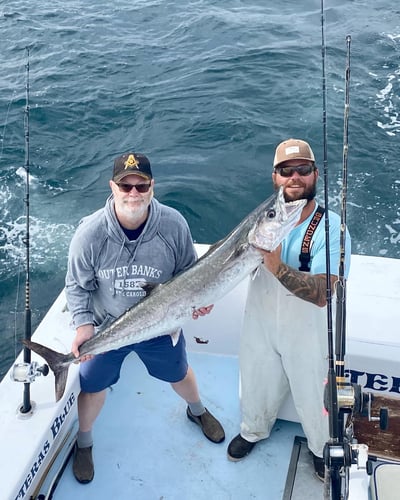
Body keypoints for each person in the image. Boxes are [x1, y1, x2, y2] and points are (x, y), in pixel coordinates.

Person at [65, 152, 225, 484]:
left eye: (142, 186)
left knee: (179, 373)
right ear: (113, 187)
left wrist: (199, 302)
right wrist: (84, 324)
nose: (134, 193)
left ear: (153, 187)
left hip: (162, 324)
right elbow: (77, 285)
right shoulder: (90, 234)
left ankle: (197, 411)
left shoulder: (173, 224)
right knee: (93, 384)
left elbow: (189, 274)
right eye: (126, 186)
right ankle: (84, 442)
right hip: (111, 325)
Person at [227, 138, 351, 480]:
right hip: (261, 324)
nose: (294, 177)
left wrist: (278, 266)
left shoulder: (332, 229)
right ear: (274, 177)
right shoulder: (260, 222)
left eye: (303, 170)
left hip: (307, 333)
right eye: (285, 171)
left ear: (315, 174)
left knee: (314, 397)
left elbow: (324, 293)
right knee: (255, 383)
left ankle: (318, 449)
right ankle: (253, 431)